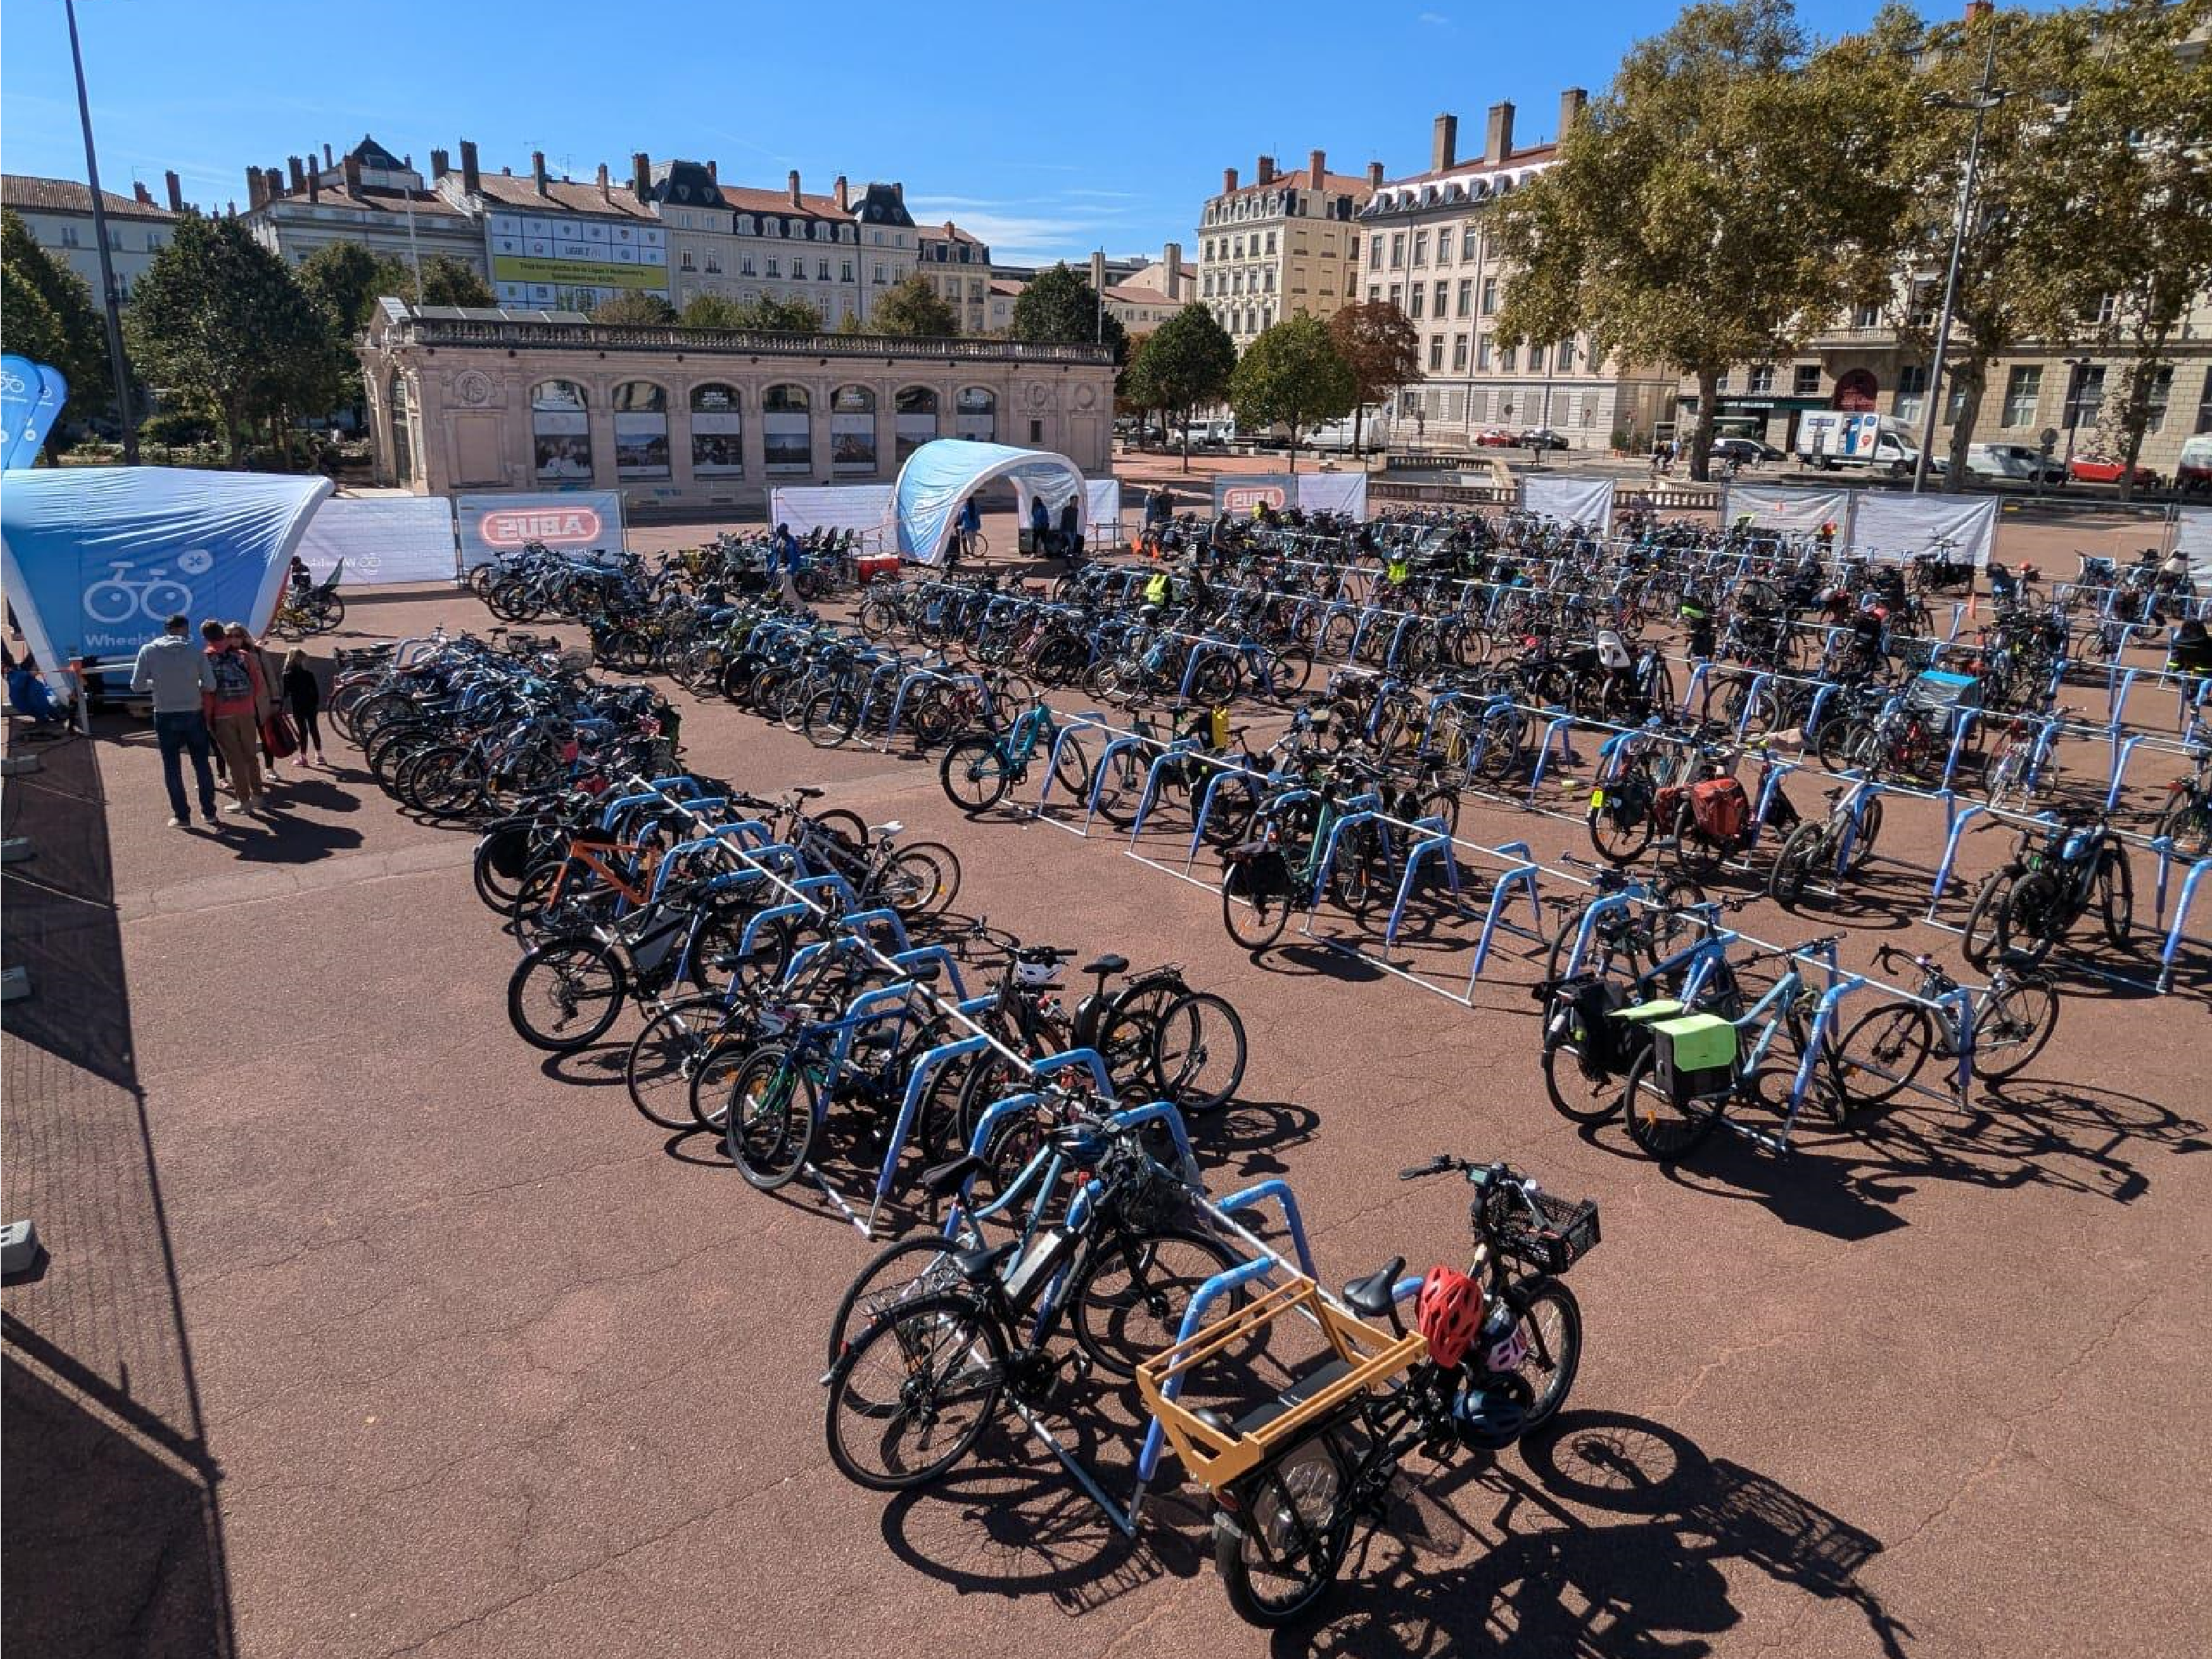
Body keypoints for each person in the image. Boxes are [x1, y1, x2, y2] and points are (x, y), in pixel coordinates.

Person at [130, 613, 220, 827]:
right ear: (184, 628)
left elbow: (137, 686)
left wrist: (158, 684)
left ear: (166, 629)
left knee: (172, 767)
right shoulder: (195, 651)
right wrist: (191, 683)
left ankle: (182, 816)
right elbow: (211, 685)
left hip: (164, 713)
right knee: (202, 765)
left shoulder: (149, 650)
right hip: (193, 712)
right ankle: (209, 813)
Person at [203, 619, 270, 814]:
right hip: (246, 710)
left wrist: (207, 717)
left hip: (222, 714)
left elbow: (207, 691)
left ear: (206, 638)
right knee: (250, 754)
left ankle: (243, 800)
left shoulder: (206, 658)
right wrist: (249, 702)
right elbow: (257, 683)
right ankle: (258, 795)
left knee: (234, 758)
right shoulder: (243, 656)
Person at [5, 650, 71, 731]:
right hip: (29, 702)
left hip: (24, 701)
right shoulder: (30, 683)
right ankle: (45, 718)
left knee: (38, 701)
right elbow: (42, 705)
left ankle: (44, 718)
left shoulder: (15, 676)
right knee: (38, 699)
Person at [282, 648, 325, 767]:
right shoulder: (308, 674)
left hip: (298, 706)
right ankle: (319, 755)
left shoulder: (287, 675)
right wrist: (315, 703)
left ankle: (303, 757)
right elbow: (315, 692)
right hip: (310, 705)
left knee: (302, 731)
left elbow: (285, 693)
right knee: (314, 729)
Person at [771, 522, 802, 606]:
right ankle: (781, 606)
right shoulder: (780, 540)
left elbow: (794, 557)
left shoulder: (791, 541)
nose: (779, 532)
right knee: (780, 589)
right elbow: (776, 554)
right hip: (780, 567)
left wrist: (791, 568)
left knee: (788, 588)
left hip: (787, 568)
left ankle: (801, 607)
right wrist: (773, 567)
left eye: (781, 531)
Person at [1057, 496, 1083, 567]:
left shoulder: (1077, 510)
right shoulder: (1066, 510)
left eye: (1077, 501)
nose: (1076, 503)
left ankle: (1069, 561)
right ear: (1071, 501)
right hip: (1067, 530)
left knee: (1071, 546)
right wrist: (1061, 531)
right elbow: (1063, 521)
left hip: (1074, 530)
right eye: (1075, 501)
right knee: (1071, 545)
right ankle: (1069, 561)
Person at [956, 495, 982, 565]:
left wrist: (958, 523)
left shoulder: (965, 508)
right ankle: (972, 551)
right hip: (975, 525)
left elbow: (961, 517)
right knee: (973, 539)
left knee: (969, 540)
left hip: (967, 526)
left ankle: (971, 553)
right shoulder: (976, 507)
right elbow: (979, 514)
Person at [1029, 493, 1053, 559]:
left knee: (1043, 541)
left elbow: (1045, 517)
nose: (1035, 502)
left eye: (1036, 500)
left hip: (1042, 527)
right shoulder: (1034, 508)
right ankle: (1034, 553)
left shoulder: (1042, 508)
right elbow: (1034, 517)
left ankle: (1044, 552)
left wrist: (1044, 525)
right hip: (1036, 527)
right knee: (1035, 540)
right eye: (1034, 501)